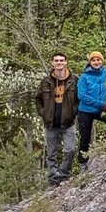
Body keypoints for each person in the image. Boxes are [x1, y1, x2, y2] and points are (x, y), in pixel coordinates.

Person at [36, 52, 78, 186]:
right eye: (56, 61)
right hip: (51, 123)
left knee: (70, 150)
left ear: (66, 62)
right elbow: (38, 99)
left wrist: (74, 112)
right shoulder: (46, 82)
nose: (59, 63)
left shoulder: (74, 80)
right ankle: (54, 179)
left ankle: (64, 174)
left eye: (61, 60)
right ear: (52, 63)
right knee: (51, 154)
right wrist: (43, 113)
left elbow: (79, 99)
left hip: (68, 122)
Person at [76, 51, 106, 170]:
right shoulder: (84, 77)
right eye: (93, 60)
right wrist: (100, 104)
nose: (96, 62)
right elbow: (82, 95)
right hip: (86, 110)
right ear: (90, 62)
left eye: (98, 60)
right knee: (85, 138)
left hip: (103, 109)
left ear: (102, 61)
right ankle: (82, 163)